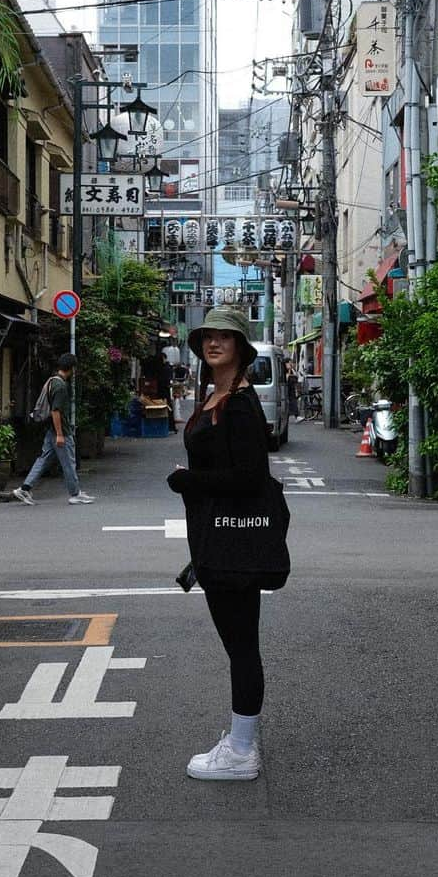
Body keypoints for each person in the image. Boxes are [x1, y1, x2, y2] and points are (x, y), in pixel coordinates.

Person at [167, 306, 272, 781]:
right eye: (208, 337)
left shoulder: (242, 404)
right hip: (214, 535)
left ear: (240, 348)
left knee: (241, 645)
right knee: (238, 643)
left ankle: (242, 751)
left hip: (232, 540)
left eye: (224, 338)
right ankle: (241, 738)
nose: (214, 343)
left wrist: (191, 482)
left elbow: (251, 478)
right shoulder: (215, 395)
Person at [12, 353, 94, 506]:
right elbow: (55, 411)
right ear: (71, 369)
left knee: (43, 459)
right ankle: (75, 493)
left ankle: (25, 488)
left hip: (51, 430)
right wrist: (60, 434)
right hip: (59, 430)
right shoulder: (61, 386)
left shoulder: (52, 381)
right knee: (69, 463)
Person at [156, 350, 178, 434]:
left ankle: (168, 426)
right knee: (168, 408)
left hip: (162, 391)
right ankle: (171, 427)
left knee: (165, 408)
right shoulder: (167, 368)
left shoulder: (163, 368)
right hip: (166, 391)